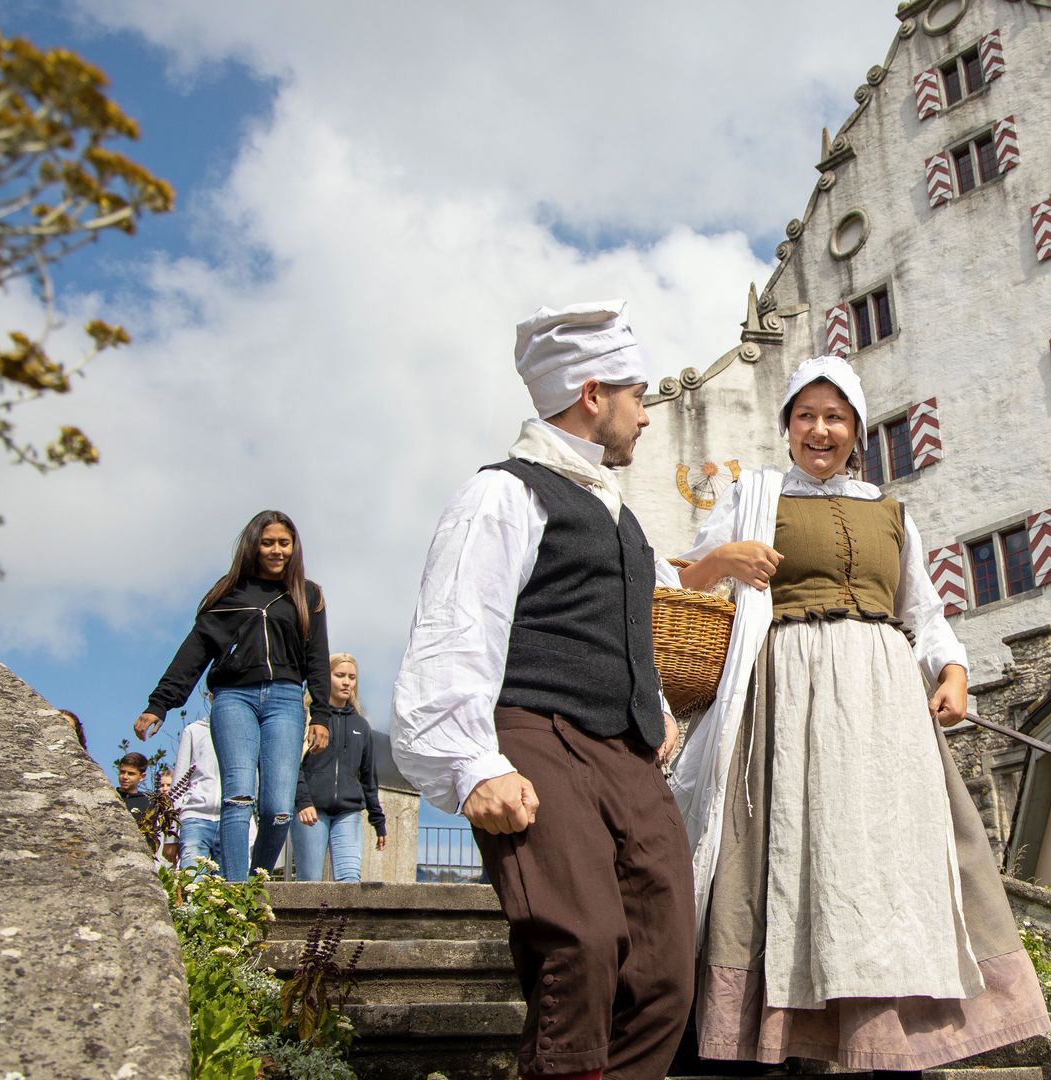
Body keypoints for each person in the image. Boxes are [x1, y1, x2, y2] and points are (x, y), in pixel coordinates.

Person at [669, 356, 1050, 1072]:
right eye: (806, 416)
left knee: (887, 856)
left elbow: (923, 611)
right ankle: (773, 1029)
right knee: (788, 849)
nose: (820, 430)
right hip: (786, 695)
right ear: (786, 426)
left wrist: (954, 670)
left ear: (856, 430)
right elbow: (680, 585)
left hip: (883, 703)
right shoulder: (752, 498)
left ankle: (891, 1030)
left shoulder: (891, 512)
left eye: (835, 417)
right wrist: (724, 560)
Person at [393, 300, 690, 1080]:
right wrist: (471, 764)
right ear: (593, 394)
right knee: (581, 943)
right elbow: (458, 623)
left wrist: (654, 703)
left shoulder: (619, 513)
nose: (646, 416)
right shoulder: (504, 494)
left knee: (663, 973)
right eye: (638, 397)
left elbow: (621, 626)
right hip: (535, 733)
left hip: (627, 752)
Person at [134, 511, 334, 882]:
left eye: (284, 543)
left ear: (294, 547)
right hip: (234, 698)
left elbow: (318, 658)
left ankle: (257, 882)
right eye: (268, 543)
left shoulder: (308, 595)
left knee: (278, 809)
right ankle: (234, 889)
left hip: (286, 700)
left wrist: (321, 714)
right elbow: (194, 652)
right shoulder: (229, 594)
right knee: (238, 796)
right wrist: (159, 704)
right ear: (254, 546)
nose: (277, 551)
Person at [292, 652, 386, 882]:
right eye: (340, 675)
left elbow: (368, 777)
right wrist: (303, 801)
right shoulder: (307, 719)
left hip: (348, 812)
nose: (346, 682)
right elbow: (293, 765)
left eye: (352, 677)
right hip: (312, 811)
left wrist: (378, 821)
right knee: (310, 881)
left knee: (350, 880)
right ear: (326, 678)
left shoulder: (361, 726)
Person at [171, 708, 223, 871]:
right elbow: (179, 782)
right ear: (210, 698)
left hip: (232, 819)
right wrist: (171, 836)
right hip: (195, 816)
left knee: (231, 883)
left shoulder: (247, 732)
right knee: (191, 879)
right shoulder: (193, 731)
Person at [114, 751, 154, 846]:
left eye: (131, 774)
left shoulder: (148, 804)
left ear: (142, 776)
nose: (125, 777)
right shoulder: (109, 795)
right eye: (122, 772)